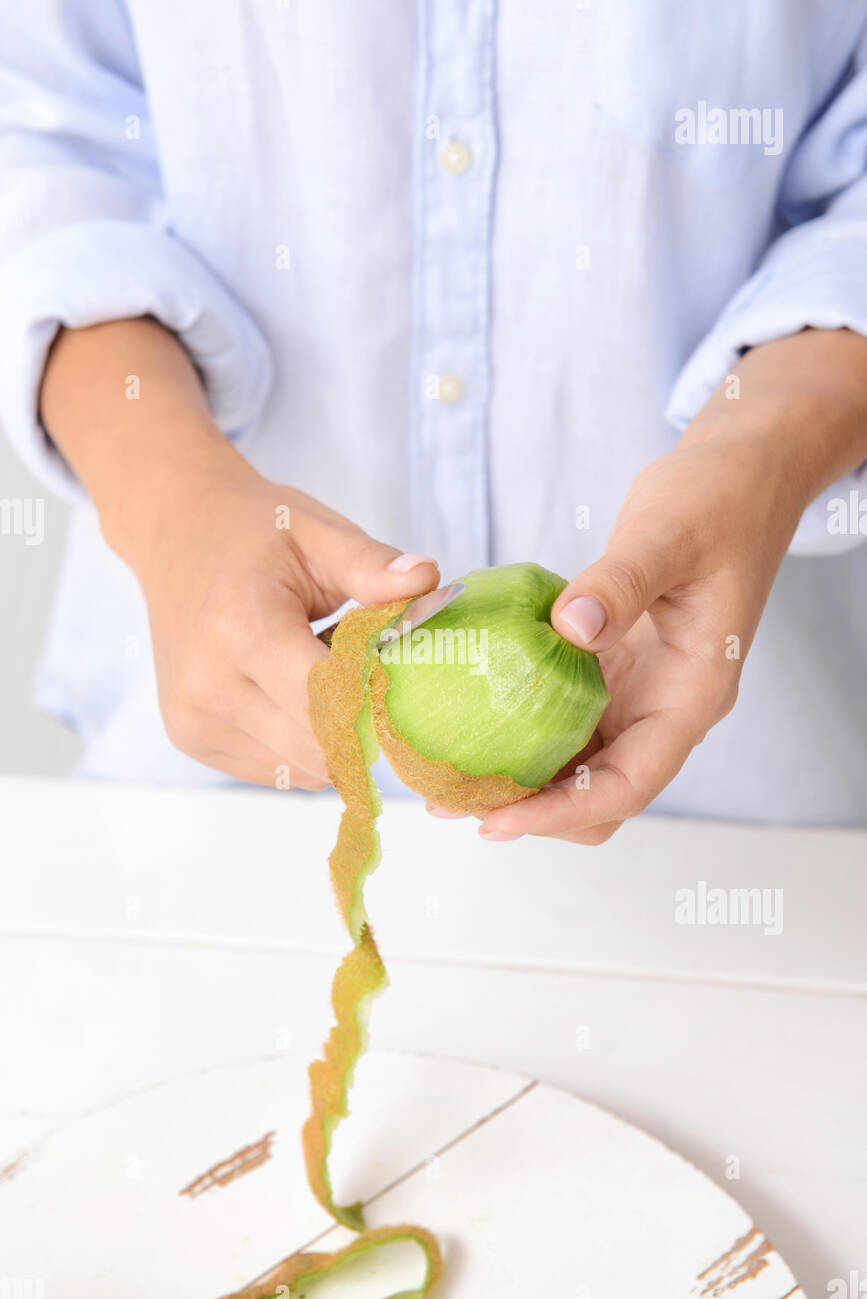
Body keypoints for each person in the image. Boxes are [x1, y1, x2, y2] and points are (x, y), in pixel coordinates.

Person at [1, 2, 865, 846]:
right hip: (205, 811)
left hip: (752, 821)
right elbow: (46, 146)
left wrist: (758, 455)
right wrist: (173, 500)